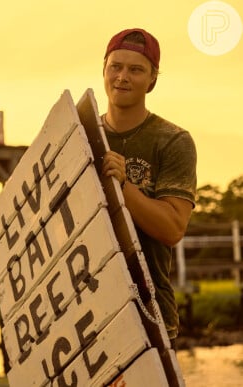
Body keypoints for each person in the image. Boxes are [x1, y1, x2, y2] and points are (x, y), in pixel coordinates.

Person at [100, 28, 197, 349]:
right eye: (116, 66)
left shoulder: (172, 140)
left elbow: (172, 229)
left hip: (149, 311)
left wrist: (124, 186)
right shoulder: (78, 134)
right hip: (86, 312)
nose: (122, 77)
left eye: (136, 69)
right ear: (104, 69)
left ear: (152, 79)